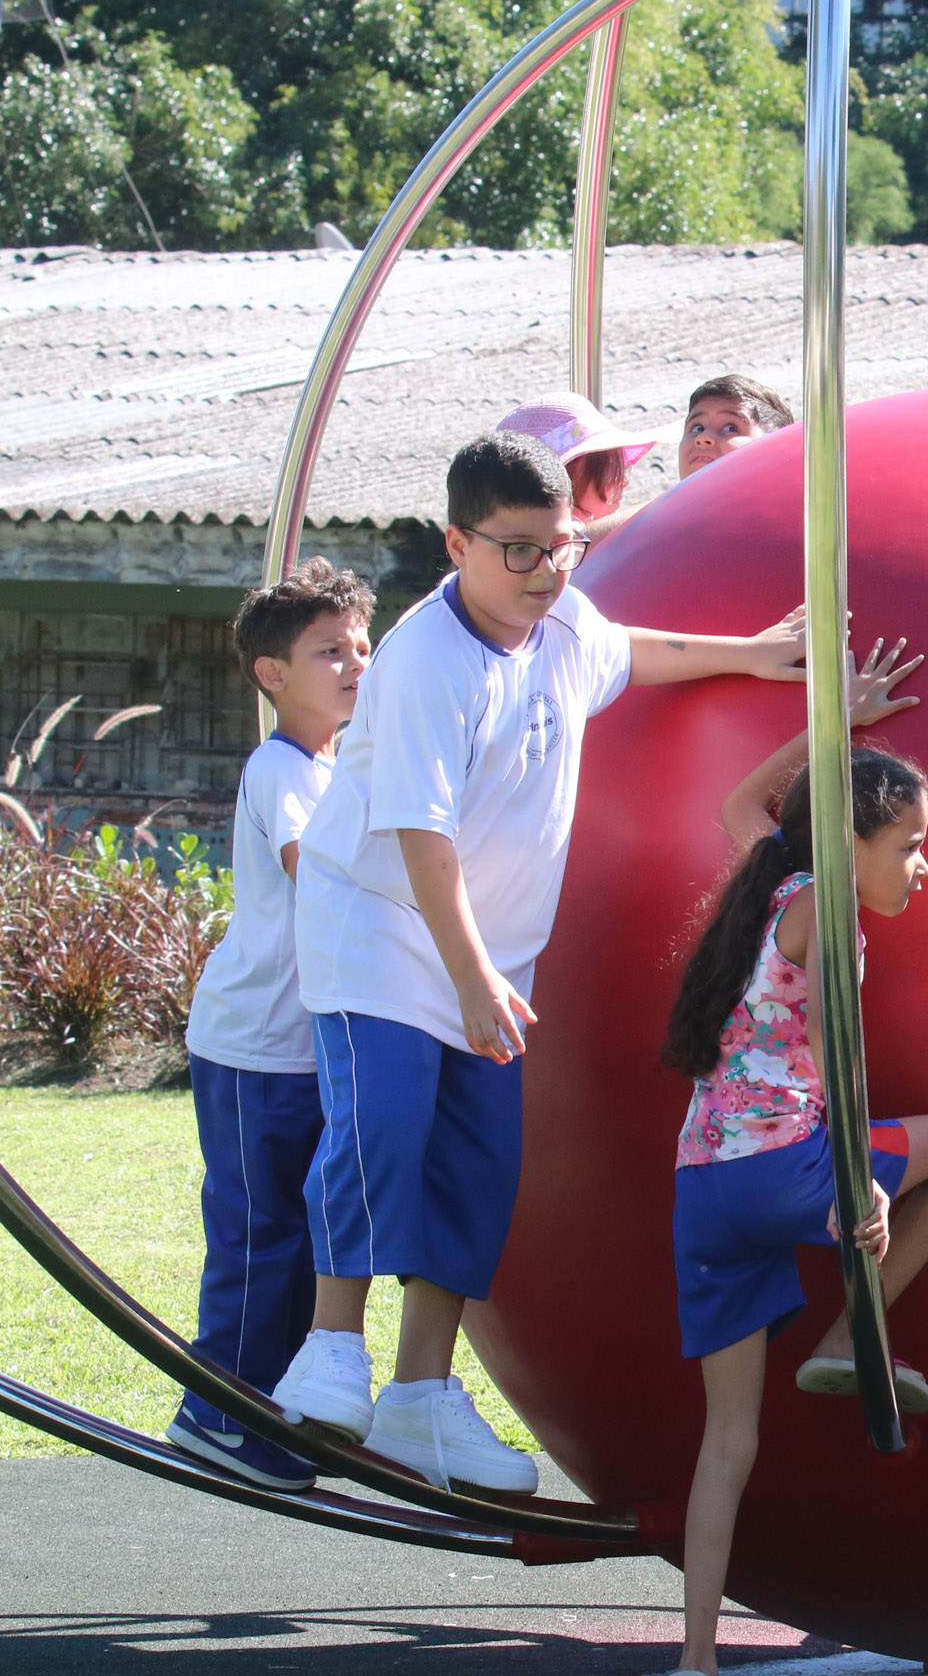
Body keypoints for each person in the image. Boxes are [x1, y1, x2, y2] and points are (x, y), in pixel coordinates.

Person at [268, 430, 805, 1492]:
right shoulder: (426, 660)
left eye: (561, 545)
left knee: (479, 1165)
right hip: (383, 928)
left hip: (494, 949)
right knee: (382, 1126)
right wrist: (466, 975)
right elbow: (420, 834)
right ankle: (332, 1345)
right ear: (458, 544)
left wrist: (750, 651)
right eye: (517, 550)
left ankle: (420, 1395)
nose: (546, 569)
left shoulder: (563, 616)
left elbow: (630, 649)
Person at [656, 659, 928, 1676]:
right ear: (852, 842)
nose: (922, 861)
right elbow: (843, 1069)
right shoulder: (825, 915)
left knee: (726, 1441)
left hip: (705, 1183)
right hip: (787, 1163)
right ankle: (851, 1335)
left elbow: (741, 807)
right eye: (906, 843)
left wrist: (833, 727)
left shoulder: (772, 878)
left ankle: (699, 1660)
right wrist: (858, 1186)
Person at [164, 559, 374, 1490]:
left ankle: (273, 1409)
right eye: (330, 651)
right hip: (255, 1046)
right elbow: (314, 869)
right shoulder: (281, 768)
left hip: (310, 1046)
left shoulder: (337, 765)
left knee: (305, 1232)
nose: (356, 665)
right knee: (260, 1233)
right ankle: (216, 1411)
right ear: (273, 674)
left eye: (363, 646)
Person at [496, 392, 667, 555]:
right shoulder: (561, 544)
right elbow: (579, 541)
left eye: (621, 467)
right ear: (564, 478)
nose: (623, 481)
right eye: (607, 467)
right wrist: (669, 503)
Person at [673, 375, 793, 480]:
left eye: (730, 428)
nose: (702, 437)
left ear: (775, 450)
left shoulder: (803, 505)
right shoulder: (658, 506)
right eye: (697, 428)